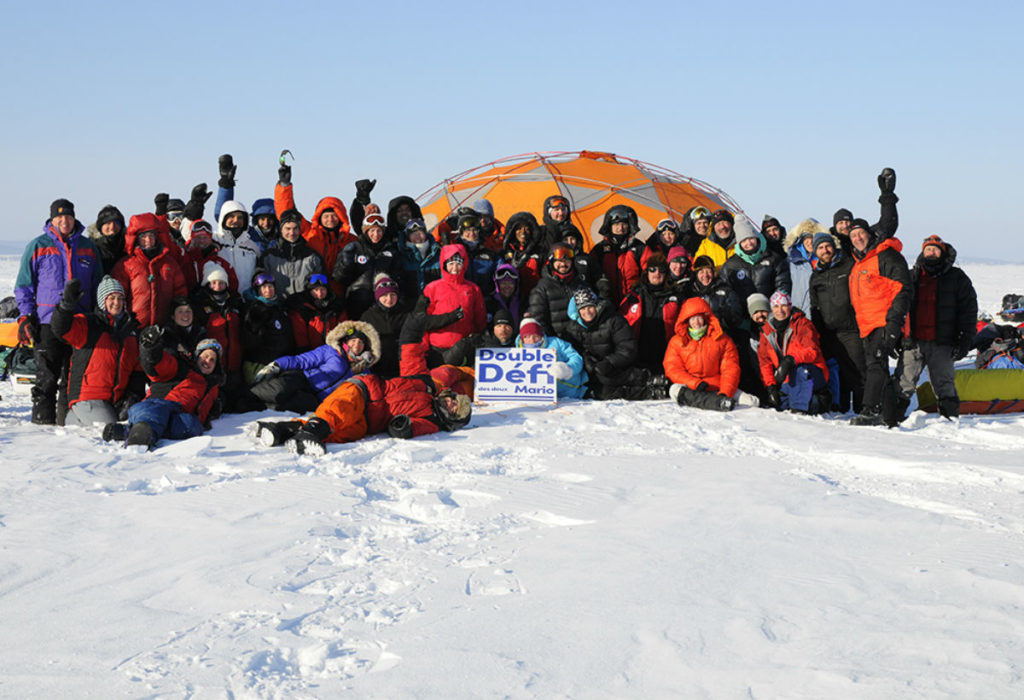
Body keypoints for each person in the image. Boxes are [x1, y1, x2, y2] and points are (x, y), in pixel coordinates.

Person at [15, 198, 103, 424]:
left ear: (74, 218)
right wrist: (25, 317)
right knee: (47, 377)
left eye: (69, 216)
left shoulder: (87, 247)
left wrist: (97, 315)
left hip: (79, 321)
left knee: (72, 377)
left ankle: (65, 425)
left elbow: (98, 284)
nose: (65, 220)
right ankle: (42, 425)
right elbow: (24, 286)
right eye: (60, 217)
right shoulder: (38, 246)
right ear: (52, 219)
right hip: (47, 321)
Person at [893, 235, 977, 421]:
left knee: (944, 384)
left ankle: (949, 421)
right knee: (903, 382)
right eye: (928, 249)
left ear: (943, 252)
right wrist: (895, 336)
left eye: (935, 249)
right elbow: (895, 308)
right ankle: (892, 421)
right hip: (913, 341)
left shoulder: (957, 277)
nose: (931, 253)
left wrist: (965, 340)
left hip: (943, 342)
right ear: (923, 252)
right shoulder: (910, 276)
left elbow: (969, 312)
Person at [49, 276, 145, 429]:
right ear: (102, 301)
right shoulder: (89, 324)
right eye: (111, 298)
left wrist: (133, 396)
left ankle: (74, 421)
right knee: (112, 432)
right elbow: (61, 329)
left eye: (120, 298)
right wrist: (65, 307)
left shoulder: (130, 331)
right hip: (88, 398)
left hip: (114, 400)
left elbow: (137, 368)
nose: (117, 303)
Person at [104, 334, 225, 449]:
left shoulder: (213, 388)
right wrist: (151, 349)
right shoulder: (182, 367)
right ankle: (141, 439)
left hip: (179, 415)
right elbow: (161, 364)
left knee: (192, 424)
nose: (207, 361)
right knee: (157, 412)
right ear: (197, 356)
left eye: (212, 359)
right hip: (155, 405)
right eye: (205, 356)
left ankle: (131, 431)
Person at [846, 218, 912, 426]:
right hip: (866, 326)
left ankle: (869, 410)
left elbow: (903, 290)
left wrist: (894, 325)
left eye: (861, 233)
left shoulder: (885, 256)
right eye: (853, 236)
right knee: (879, 368)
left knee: (876, 364)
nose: (857, 238)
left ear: (870, 234)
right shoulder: (859, 263)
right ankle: (890, 416)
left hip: (883, 323)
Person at [247, 320, 380, 413]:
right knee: (276, 391)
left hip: (315, 400)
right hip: (303, 380)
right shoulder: (331, 351)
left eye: (361, 342)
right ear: (346, 341)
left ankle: (242, 405)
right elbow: (302, 360)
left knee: (281, 406)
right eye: (353, 340)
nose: (356, 345)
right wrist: (277, 365)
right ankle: (239, 396)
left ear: (366, 347)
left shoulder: (364, 372)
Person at [564, 287, 666, 400]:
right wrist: (586, 360)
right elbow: (572, 350)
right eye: (582, 309)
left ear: (596, 306)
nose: (587, 312)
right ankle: (648, 393)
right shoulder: (572, 328)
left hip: (618, 366)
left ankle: (645, 378)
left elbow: (628, 348)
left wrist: (609, 362)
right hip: (593, 372)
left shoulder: (614, 320)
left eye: (590, 307)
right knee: (602, 393)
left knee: (605, 376)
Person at [274, 159, 354, 298]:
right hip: (312, 293)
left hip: (340, 295)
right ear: (319, 217)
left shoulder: (351, 240)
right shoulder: (309, 232)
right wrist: (284, 186)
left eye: (334, 215)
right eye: (326, 216)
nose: (330, 219)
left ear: (341, 217)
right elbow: (286, 213)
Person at [808, 232, 864, 413]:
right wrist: (817, 332)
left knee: (857, 370)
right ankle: (838, 407)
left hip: (850, 329)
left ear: (833, 247)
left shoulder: (848, 265)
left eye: (827, 246)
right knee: (834, 372)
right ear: (816, 252)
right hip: (828, 332)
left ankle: (863, 408)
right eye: (821, 248)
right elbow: (814, 305)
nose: (825, 250)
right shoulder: (816, 276)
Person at [757, 291, 831, 414]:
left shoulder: (803, 324)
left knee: (800, 372)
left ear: (790, 306)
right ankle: (816, 401)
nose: (780, 310)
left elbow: (812, 351)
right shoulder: (767, 332)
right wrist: (771, 387)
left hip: (812, 371)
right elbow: (765, 363)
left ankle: (799, 413)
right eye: (776, 306)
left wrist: (791, 359)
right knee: (780, 404)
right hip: (789, 378)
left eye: (784, 305)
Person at [663, 296, 741, 412]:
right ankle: (716, 403)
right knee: (674, 389)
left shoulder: (722, 340)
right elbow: (673, 369)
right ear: (686, 320)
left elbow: (730, 368)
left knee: (752, 402)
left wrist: (725, 392)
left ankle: (720, 401)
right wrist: (695, 383)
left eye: (699, 318)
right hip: (691, 387)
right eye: (692, 318)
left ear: (705, 318)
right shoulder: (677, 341)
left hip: (717, 387)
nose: (696, 323)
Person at [111, 213, 187, 328]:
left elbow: (180, 293)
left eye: (151, 235)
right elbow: (117, 295)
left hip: (165, 328)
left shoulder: (170, 264)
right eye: (143, 236)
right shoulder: (126, 265)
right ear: (136, 239)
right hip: (133, 328)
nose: (148, 240)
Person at [190, 264, 245, 410]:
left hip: (234, 363)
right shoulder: (200, 304)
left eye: (221, 282)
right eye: (214, 282)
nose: (218, 286)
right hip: (212, 365)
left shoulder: (235, 302)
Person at [422, 244, 487, 365]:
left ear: (464, 265)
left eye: (458, 263)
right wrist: (424, 346)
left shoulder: (473, 289)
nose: (455, 268)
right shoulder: (432, 288)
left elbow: (480, 318)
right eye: (451, 263)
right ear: (444, 264)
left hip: (463, 346)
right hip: (437, 348)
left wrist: (475, 337)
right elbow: (423, 319)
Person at [619, 253, 682, 374]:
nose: (657, 273)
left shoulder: (676, 296)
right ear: (646, 272)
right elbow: (621, 322)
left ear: (666, 273)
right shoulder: (634, 295)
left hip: (666, 354)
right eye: (652, 269)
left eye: (661, 270)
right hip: (639, 354)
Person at [335, 208, 401, 318]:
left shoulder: (391, 251)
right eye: (372, 230)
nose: (376, 234)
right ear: (366, 231)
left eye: (379, 230)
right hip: (357, 305)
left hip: (382, 306)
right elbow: (340, 279)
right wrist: (345, 264)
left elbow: (399, 278)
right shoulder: (356, 248)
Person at [831, 167, 899, 257]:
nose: (845, 225)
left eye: (847, 222)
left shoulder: (865, 237)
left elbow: (887, 224)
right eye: (841, 223)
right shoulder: (827, 243)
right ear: (835, 225)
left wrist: (887, 195)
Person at [241, 271, 294, 383]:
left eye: (270, 286)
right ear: (258, 290)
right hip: (261, 363)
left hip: (281, 361)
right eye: (264, 287)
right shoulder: (254, 309)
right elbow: (250, 342)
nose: (268, 290)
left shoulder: (279, 307)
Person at [527, 243, 588, 338]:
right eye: (559, 261)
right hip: (558, 343)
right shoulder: (542, 287)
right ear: (552, 262)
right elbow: (538, 319)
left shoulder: (580, 283)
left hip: (583, 340)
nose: (563, 264)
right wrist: (554, 341)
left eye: (567, 260)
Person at [516, 316, 587, 399]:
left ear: (541, 335)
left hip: (570, 394)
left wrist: (567, 369)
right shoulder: (516, 353)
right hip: (539, 398)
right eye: (527, 337)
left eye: (535, 336)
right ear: (522, 339)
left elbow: (576, 358)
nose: (532, 340)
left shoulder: (556, 343)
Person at [262, 209, 324, 298]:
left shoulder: (312, 257)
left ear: (299, 230)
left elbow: (322, 285)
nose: (291, 233)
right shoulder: (269, 256)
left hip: (304, 307)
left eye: (295, 229)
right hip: (277, 306)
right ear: (281, 230)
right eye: (288, 229)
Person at [590, 204, 643, 304]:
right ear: (609, 226)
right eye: (616, 224)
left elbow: (650, 271)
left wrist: (640, 290)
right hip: (607, 302)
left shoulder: (640, 248)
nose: (620, 228)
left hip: (634, 301)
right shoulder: (599, 250)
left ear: (630, 225)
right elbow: (591, 274)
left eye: (624, 224)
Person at [287, 272, 347, 353]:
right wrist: (304, 352)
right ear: (309, 291)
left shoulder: (336, 306)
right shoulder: (301, 307)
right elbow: (299, 334)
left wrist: (345, 348)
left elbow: (344, 328)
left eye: (323, 289)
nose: (319, 293)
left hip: (332, 350)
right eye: (316, 290)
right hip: (309, 352)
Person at [214, 201, 264, 297]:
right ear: (223, 218)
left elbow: (259, 272)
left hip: (247, 300)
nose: (236, 220)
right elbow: (190, 238)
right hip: (222, 300)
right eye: (231, 216)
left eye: (240, 217)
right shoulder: (214, 240)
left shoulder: (252, 247)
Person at [180, 219, 240, 294]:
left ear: (210, 239)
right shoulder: (184, 259)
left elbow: (233, 286)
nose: (202, 241)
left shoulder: (221, 263)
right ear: (192, 239)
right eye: (198, 238)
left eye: (205, 238)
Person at [784, 219, 828, 312]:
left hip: (825, 312)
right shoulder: (791, 262)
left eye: (814, 238)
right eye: (807, 238)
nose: (811, 242)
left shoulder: (827, 261)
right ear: (801, 240)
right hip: (800, 312)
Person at [397, 218, 442, 302]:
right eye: (413, 234)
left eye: (420, 233)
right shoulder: (402, 257)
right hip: (412, 306)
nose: (417, 236)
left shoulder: (437, 254)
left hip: (435, 303)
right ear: (408, 237)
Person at [501, 212, 545, 296]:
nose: (523, 232)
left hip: (536, 297)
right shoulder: (505, 252)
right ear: (513, 231)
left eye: (527, 229)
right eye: (519, 228)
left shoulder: (540, 252)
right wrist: (513, 268)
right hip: (513, 298)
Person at [87, 205, 128, 275]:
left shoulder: (128, 247)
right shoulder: (91, 248)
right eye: (108, 223)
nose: (112, 227)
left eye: (116, 223)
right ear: (101, 227)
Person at [485, 263, 523, 327]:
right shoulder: (490, 303)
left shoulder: (523, 302)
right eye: (503, 283)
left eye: (511, 283)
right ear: (497, 284)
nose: (507, 286)